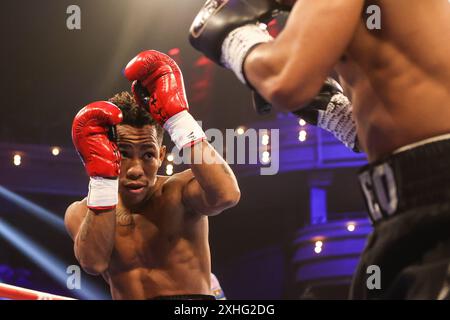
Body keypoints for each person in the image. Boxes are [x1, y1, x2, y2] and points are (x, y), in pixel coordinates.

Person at [189, 0, 450, 299]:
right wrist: (332, 112)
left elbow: (284, 80)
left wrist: (233, 39)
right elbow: (406, 116)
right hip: (405, 210)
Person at [65, 50, 241, 300]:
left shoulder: (178, 191)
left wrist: (178, 120)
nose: (136, 169)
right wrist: (102, 179)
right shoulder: (81, 213)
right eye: (124, 153)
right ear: (106, 151)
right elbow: (93, 262)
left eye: (147, 155)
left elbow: (227, 195)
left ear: (161, 155)